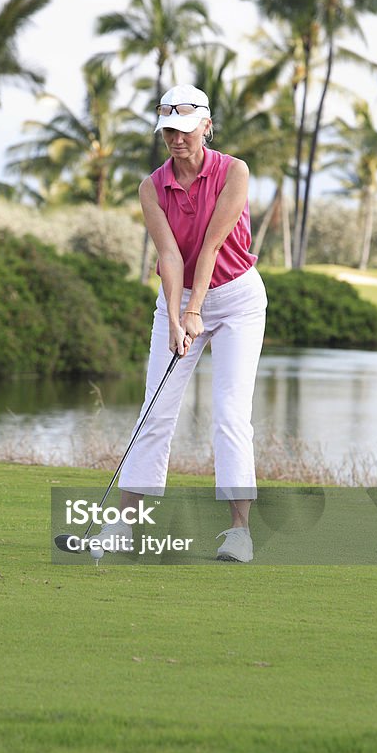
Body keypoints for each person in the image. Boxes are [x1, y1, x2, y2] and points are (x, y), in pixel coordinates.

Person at [96, 84, 267, 562]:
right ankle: (124, 527)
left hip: (236, 298)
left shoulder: (234, 171)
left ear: (206, 127)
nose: (177, 138)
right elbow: (170, 254)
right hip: (181, 295)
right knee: (155, 410)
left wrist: (194, 313)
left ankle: (239, 533)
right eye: (169, 129)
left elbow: (212, 245)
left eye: (186, 129)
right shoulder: (152, 187)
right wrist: (175, 316)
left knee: (230, 415)